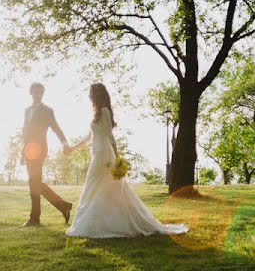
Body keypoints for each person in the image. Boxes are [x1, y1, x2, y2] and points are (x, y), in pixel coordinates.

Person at [64, 83, 188, 238]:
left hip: (104, 154)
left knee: (95, 185)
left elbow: (110, 136)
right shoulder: (96, 112)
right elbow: (89, 137)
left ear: (97, 94)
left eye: (91, 93)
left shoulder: (104, 111)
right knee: (99, 187)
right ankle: (100, 221)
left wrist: (117, 159)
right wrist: (73, 148)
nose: (89, 96)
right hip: (97, 153)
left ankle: (97, 224)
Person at [21, 82, 72, 227]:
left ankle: (35, 218)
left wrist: (64, 143)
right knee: (34, 183)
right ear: (31, 93)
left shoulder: (47, 111)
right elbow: (25, 132)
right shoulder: (27, 110)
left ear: (42, 94)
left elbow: (56, 128)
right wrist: (22, 152)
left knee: (34, 182)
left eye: (40, 92)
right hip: (28, 151)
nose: (38, 95)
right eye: (35, 92)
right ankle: (63, 206)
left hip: (39, 150)